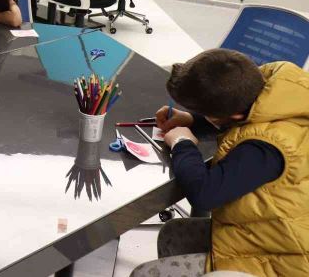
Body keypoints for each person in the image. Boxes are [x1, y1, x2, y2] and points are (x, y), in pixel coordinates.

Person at [130, 48, 309, 277]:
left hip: (284, 258)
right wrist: (193, 120)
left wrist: (183, 143)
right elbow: (249, 117)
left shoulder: (265, 149)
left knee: (145, 274)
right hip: (267, 230)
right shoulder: (275, 87)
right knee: (172, 234)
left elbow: (205, 195)